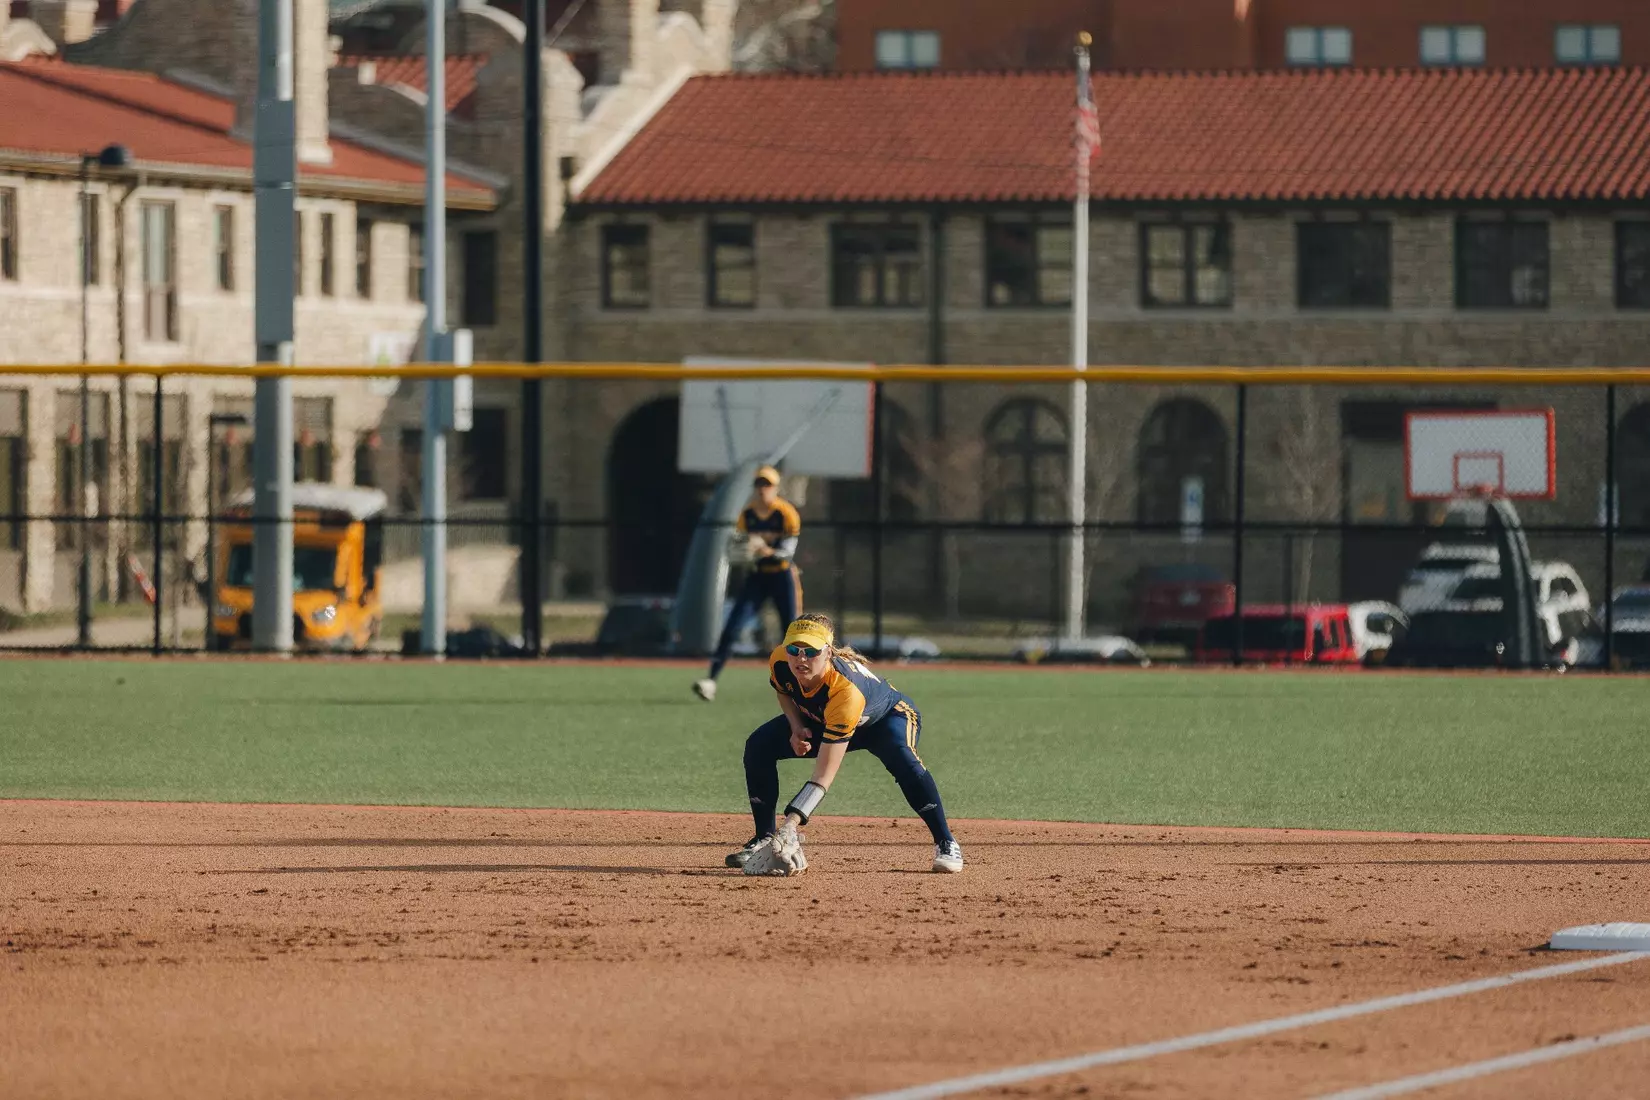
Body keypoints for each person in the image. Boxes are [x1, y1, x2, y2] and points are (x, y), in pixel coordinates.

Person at [727, 612, 964, 875]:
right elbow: (783, 690)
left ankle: (946, 842)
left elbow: (823, 776)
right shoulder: (781, 660)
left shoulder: (845, 691)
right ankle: (764, 838)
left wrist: (791, 825)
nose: (801, 658)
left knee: (903, 759)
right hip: (825, 717)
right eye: (794, 649)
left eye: (811, 651)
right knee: (759, 745)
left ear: (828, 653)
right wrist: (795, 727)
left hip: (885, 720)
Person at [692, 465, 802, 701]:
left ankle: (802, 686)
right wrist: (744, 552)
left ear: (776, 488)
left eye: (767, 484)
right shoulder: (747, 515)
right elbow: (738, 547)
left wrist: (763, 548)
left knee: (792, 633)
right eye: (759, 484)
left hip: (782, 576)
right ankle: (711, 680)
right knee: (733, 627)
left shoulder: (786, 513)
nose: (763, 489)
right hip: (758, 576)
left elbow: (787, 553)